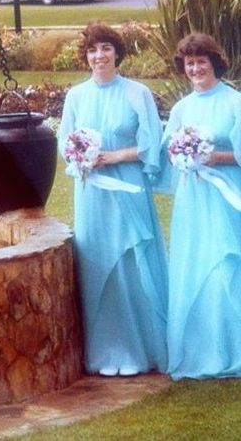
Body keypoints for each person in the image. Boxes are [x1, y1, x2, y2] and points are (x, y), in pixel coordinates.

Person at [57, 22, 168, 376]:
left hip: (129, 189)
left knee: (131, 264)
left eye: (105, 48)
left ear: (117, 52)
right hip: (92, 195)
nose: (99, 56)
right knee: (96, 264)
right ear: (85, 57)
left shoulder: (138, 94)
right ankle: (104, 352)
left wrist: (113, 157)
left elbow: (152, 146)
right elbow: (65, 143)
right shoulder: (76, 96)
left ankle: (140, 350)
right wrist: (82, 159)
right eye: (92, 50)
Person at [162, 33, 241, 379]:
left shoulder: (234, 102)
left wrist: (213, 158)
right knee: (197, 267)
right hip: (193, 200)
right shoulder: (182, 108)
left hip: (226, 199)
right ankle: (200, 349)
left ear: (214, 62)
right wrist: (183, 156)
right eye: (189, 63)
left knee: (226, 268)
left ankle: (233, 349)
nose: (195, 68)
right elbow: (168, 149)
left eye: (201, 61)